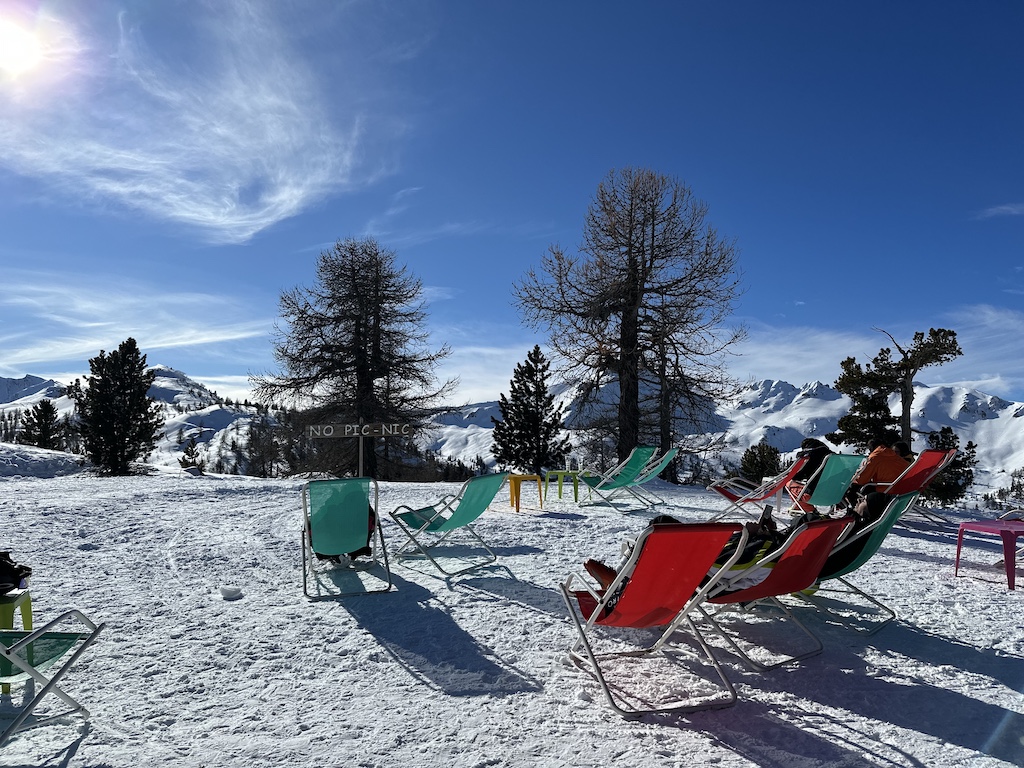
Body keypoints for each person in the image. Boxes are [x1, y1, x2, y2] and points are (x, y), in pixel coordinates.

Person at [846, 438, 912, 502]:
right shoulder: (897, 457)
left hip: (885, 491)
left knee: (853, 489)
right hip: (902, 492)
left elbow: (861, 479)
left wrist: (849, 482)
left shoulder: (875, 456)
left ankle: (856, 510)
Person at [786, 438, 834, 511]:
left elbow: (797, 477)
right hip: (834, 495)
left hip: (814, 495)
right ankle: (799, 507)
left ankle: (808, 510)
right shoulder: (834, 457)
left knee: (789, 483)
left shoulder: (811, 457)